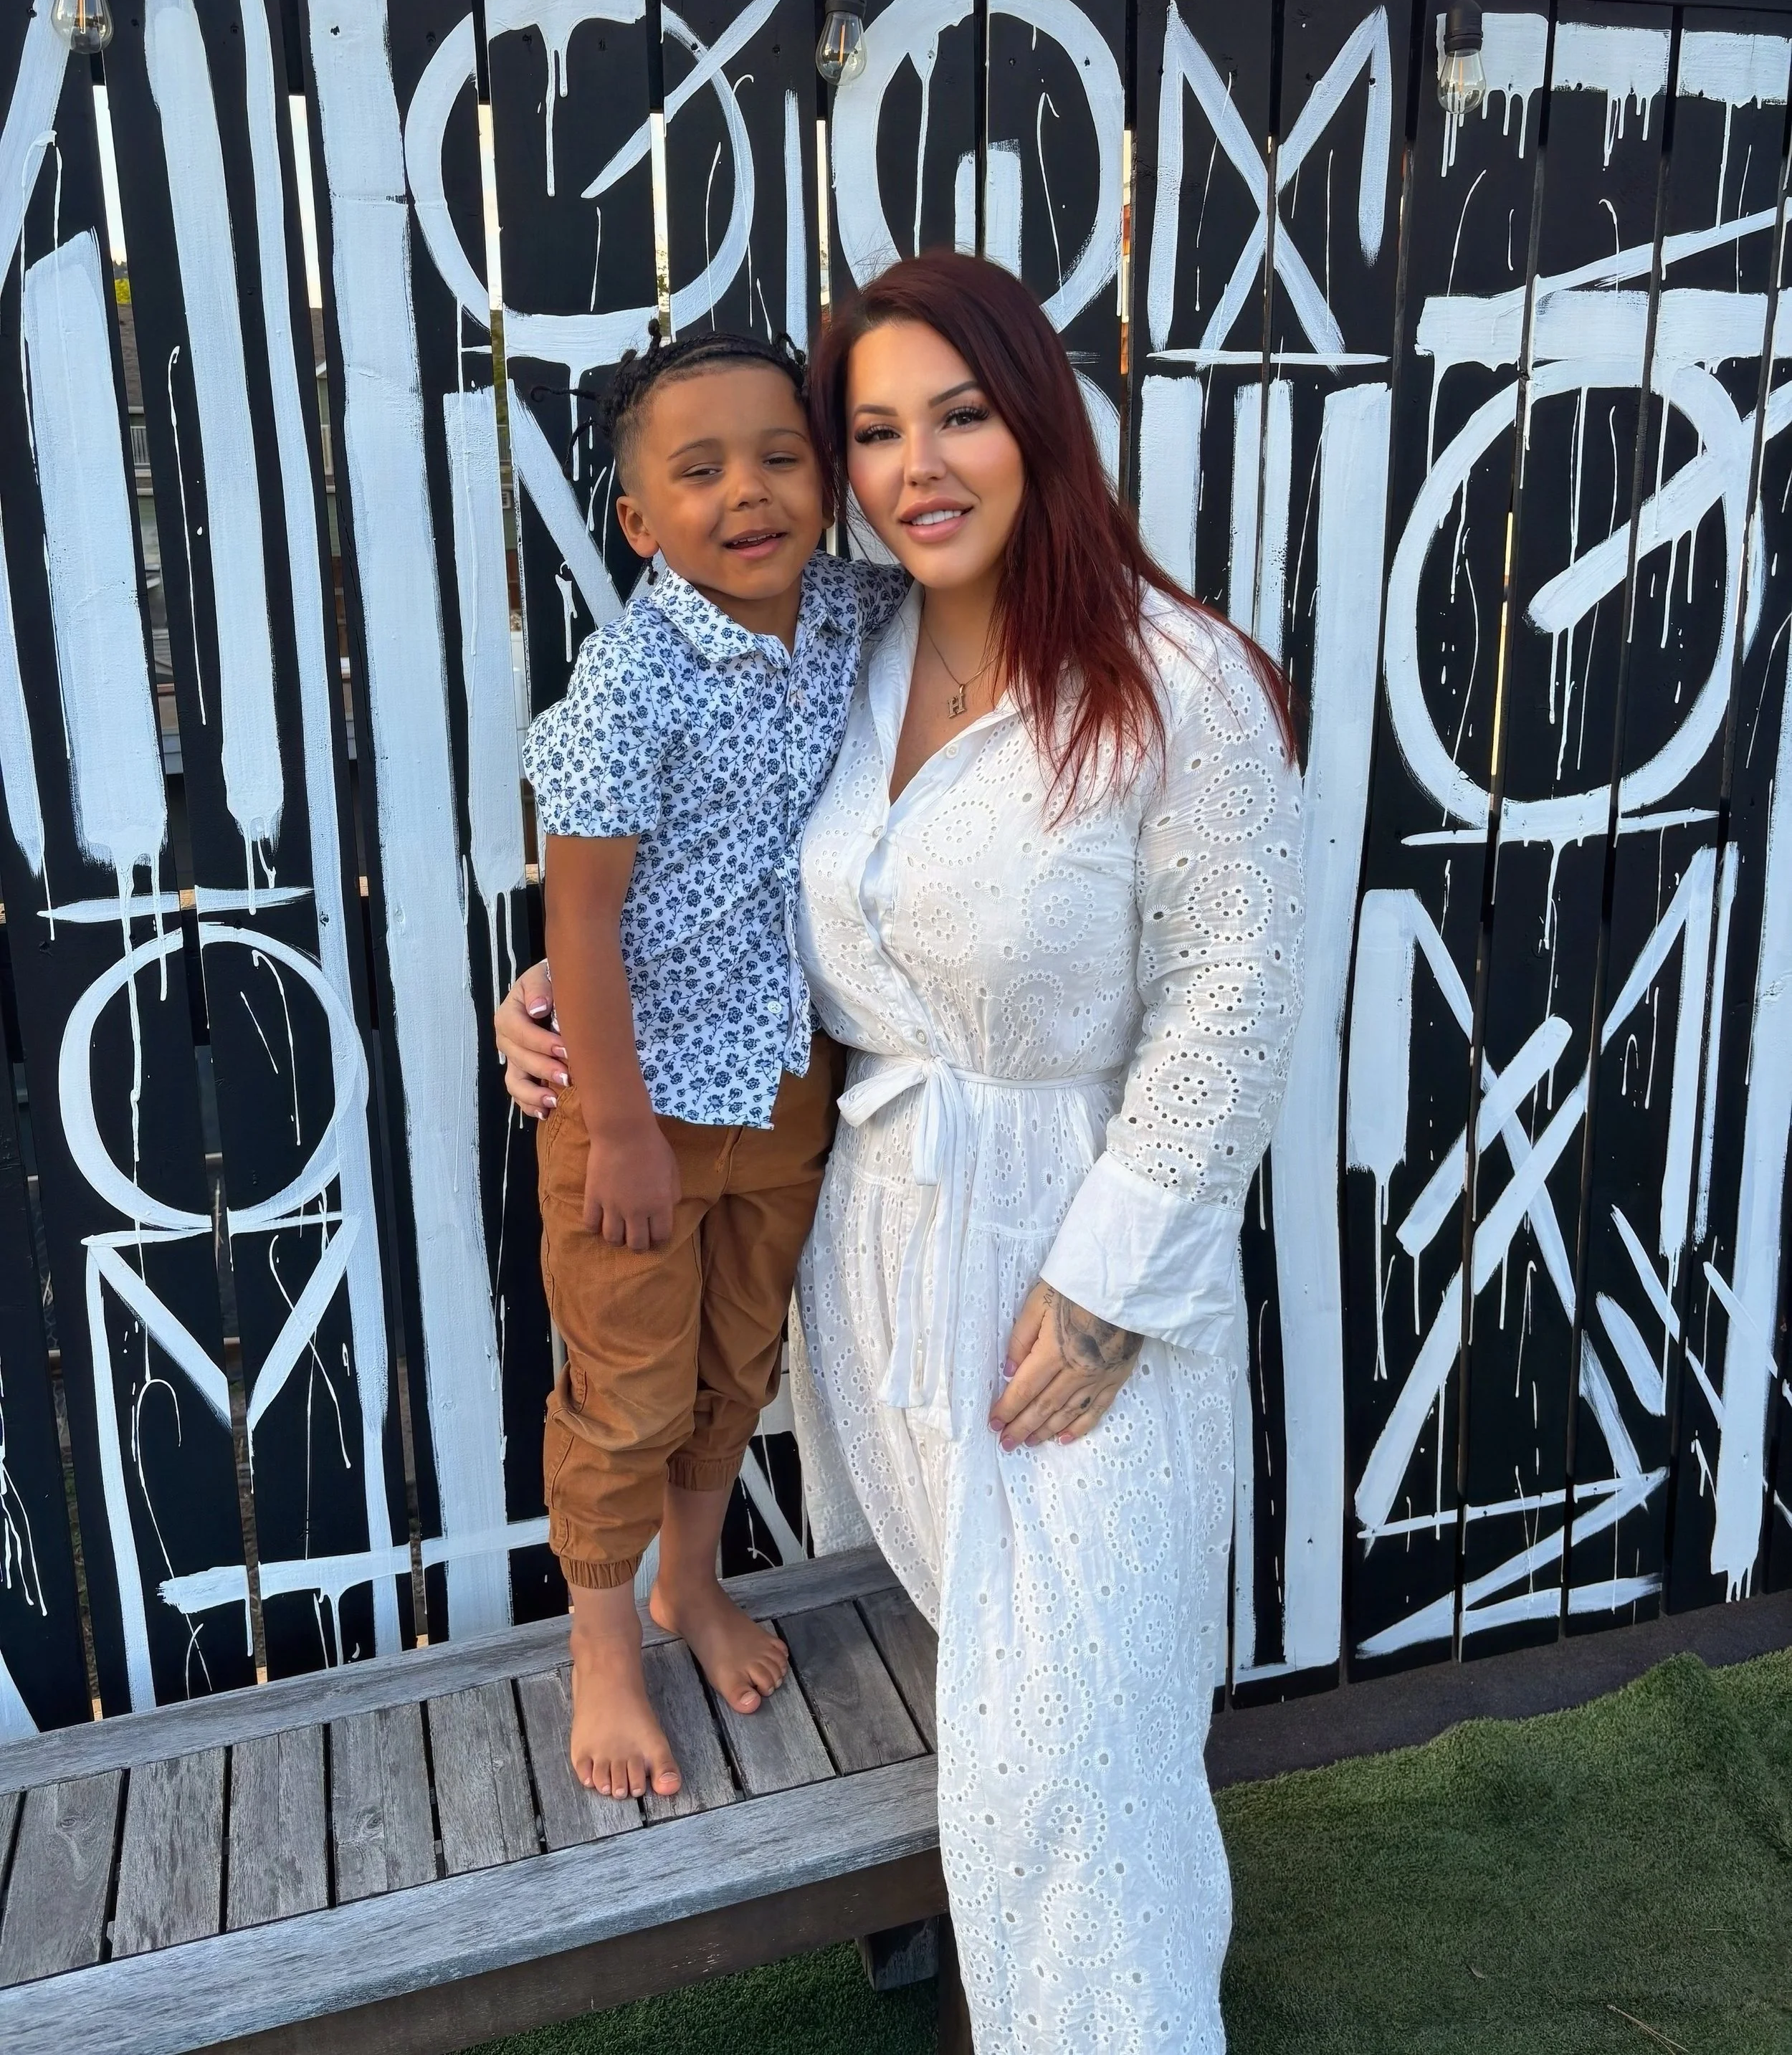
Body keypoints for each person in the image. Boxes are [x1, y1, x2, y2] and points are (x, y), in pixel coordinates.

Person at [502, 253, 1303, 2052]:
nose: (913, 463)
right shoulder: (844, 641)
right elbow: (677, 859)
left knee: (1077, 1722)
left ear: (1038, 419)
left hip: (1073, 1263)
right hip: (869, 1258)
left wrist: (1109, 1292)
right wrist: (546, 1000)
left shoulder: (1175, 684)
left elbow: (1233, 999)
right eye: (872, 429)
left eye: (958, 413)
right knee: (992, 1692)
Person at [519, 322, 904, 1803]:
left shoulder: (851, 613)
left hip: (784, 1090)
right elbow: (583, 919)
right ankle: (604, 1643)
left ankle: (694, 1581)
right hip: (639, 1106)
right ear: (638, 518)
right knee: (623, 1386)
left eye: (777, 455)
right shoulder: (630, 686)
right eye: (698, 471)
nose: (745, 492)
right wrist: (613, 1128)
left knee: (738, 1361)